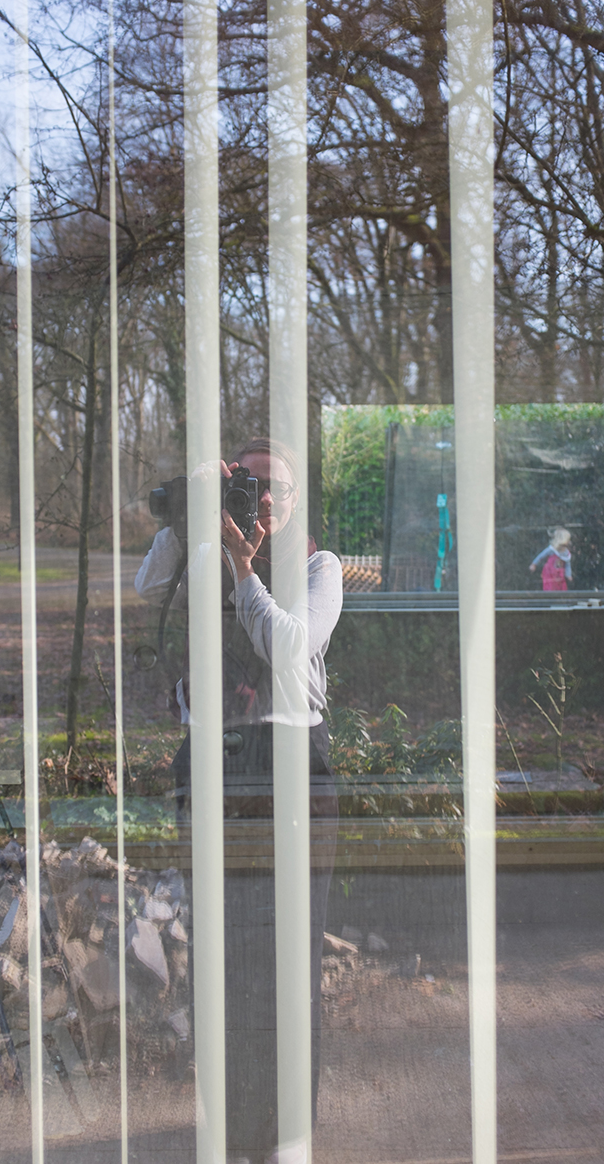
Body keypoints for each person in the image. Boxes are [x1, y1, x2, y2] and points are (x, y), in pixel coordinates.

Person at [135, 436, 343, 1164]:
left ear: (291, 506)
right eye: (242, 486)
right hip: (213, 758)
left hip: (291, 762)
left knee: (291, 951)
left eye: (269, 492)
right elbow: (143, 579)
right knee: (222, 955)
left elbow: (289, 647)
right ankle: (228, 1125)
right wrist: (189, 515)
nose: (255, 502)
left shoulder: (319, 567)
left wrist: (244, 570)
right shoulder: (201, 553)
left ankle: (287, 1133)